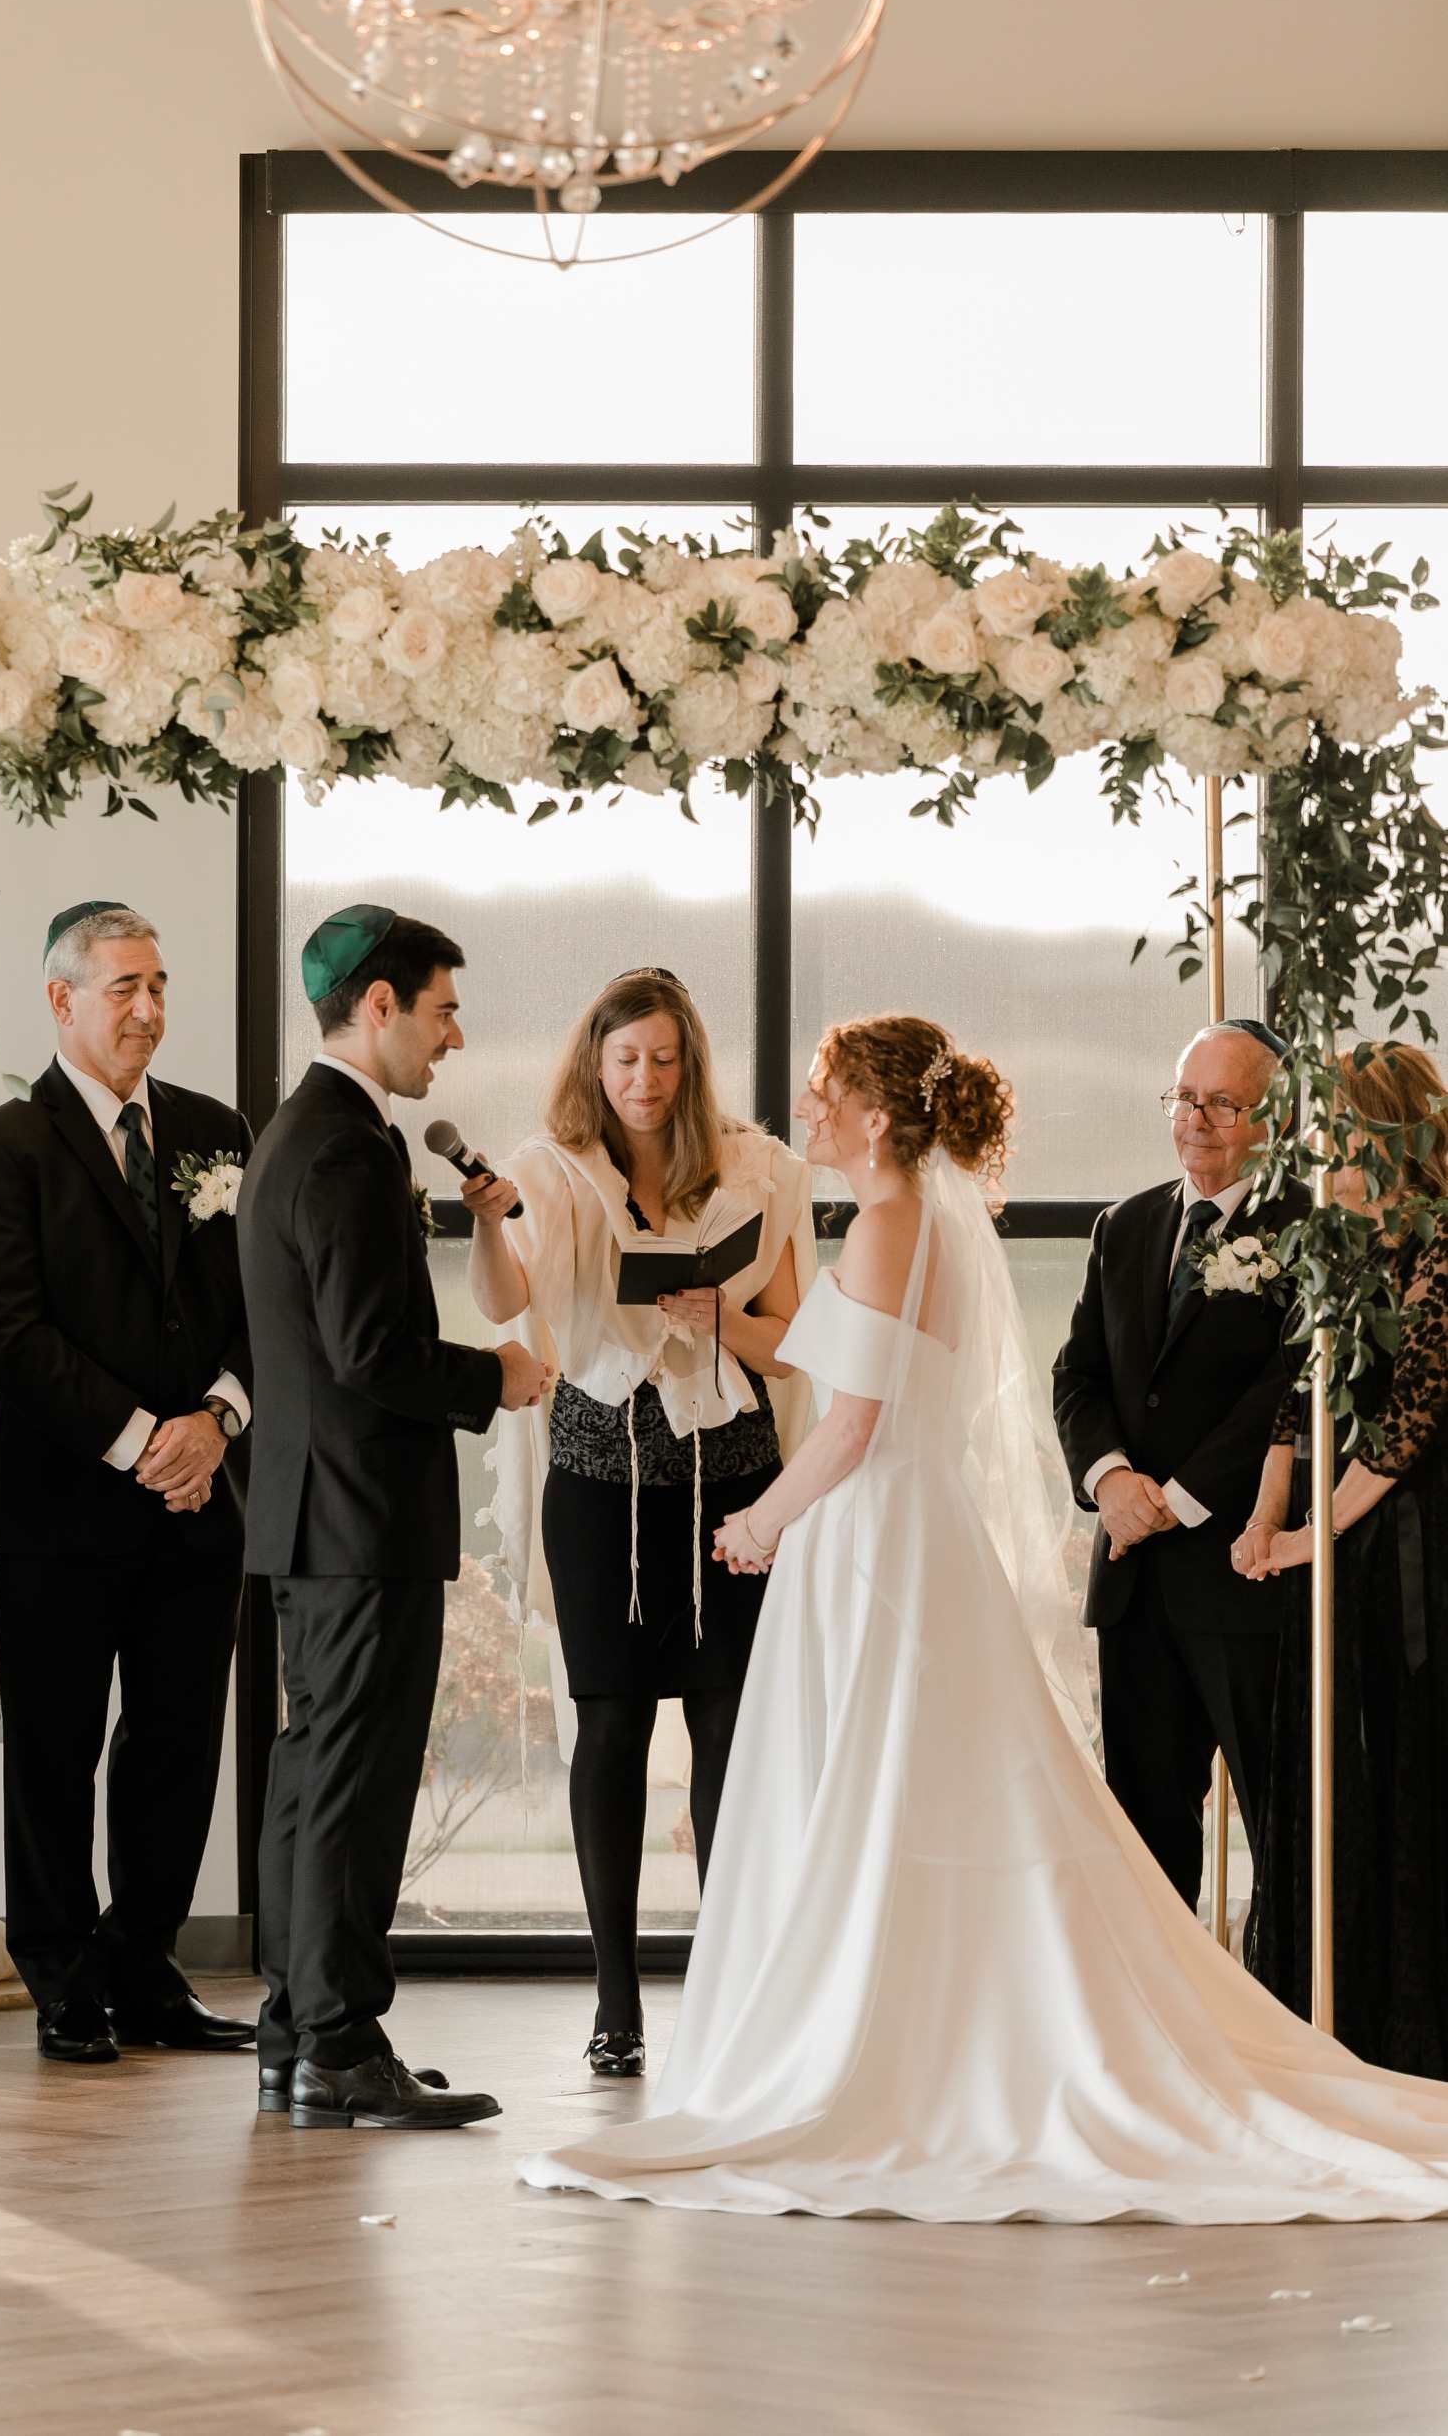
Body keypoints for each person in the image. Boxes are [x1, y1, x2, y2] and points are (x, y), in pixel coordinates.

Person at [520, 1015, 1448, 2222]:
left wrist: (761, 1521)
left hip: (877, 1529)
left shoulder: (894, 1222)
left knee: (885, 1782)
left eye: (824, 1092)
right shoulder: (921, 1218)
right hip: (900, 1528)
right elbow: (961, 1382)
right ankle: (916, 2013)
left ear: (875, 1114)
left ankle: (894, 2035)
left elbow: (853, 1425)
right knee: (912, 1784)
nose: (808, 1110)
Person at [238, 905, 548, 2132]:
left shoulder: (305, 1131)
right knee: (351, 1788)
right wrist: (494, 1377)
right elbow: (371, 1350)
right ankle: (339, 2042)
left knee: (313, 1779)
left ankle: (296, 2035)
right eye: (441, 1010)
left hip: (316, 1514)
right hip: (357, 1517)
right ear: (379, 1006)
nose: (454, 1037)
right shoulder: (346, 1149)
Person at [475, 968, 813, 2076]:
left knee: (726, 1732)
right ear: (595, 1062)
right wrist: (486, 1227)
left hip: (733, 1485)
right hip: (599, 1481)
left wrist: (721, 1317)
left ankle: (729, 1985)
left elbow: (792, 1341)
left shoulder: (762, 1169)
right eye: (626, 1058)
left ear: (691, 1063)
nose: (646, 1079)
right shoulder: (547, 1168)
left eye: (665, 1058)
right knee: (611, 1730)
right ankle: (615, 1997)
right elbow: (503, 1299)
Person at [0, 904, 255, 2065]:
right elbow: (6, 1332)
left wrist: (216, 1423)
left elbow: (256, 1304)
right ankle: (63, 1976)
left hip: (201, 1495)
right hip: (60, 1500)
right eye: (124, 986)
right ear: (62, 998)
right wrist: (142, 1441)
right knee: (54, 1745)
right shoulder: (1, 1144)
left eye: (158, 984)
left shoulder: (215, 1132)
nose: (148, 1008)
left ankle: (146, 1966)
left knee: (178, 1741)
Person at [1051, 1019, 1310, 1911]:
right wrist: (1111, 1482)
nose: (1194, 1119)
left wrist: (1177, 1498)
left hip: (1246, 1574)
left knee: (1283, 1828)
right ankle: (1156, 2000)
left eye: (1221, 1103)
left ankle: (1280, 1994)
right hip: (1133, 1582)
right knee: (1143, 1830)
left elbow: (1286, 1389)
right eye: (1183, 1097)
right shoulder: (1124, 1224)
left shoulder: (1311, 1233)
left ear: (1275, 1119)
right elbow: (1077, 1375)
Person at [1240, 1042, 1448, 2076]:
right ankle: (1333, 2005)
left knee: (1410, 1764)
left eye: (1338, 1134)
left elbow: (1405, 1427)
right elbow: (1295, 1399)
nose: (1323, 1154)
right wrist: (1264, 1515)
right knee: (1334, 1770)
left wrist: (1305, 1537)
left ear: (1386, 1133)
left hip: (1414, 1541)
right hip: (1338, 1539)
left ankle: (1411, 2023)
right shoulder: (1343, 1246)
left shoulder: (1441, 1248)